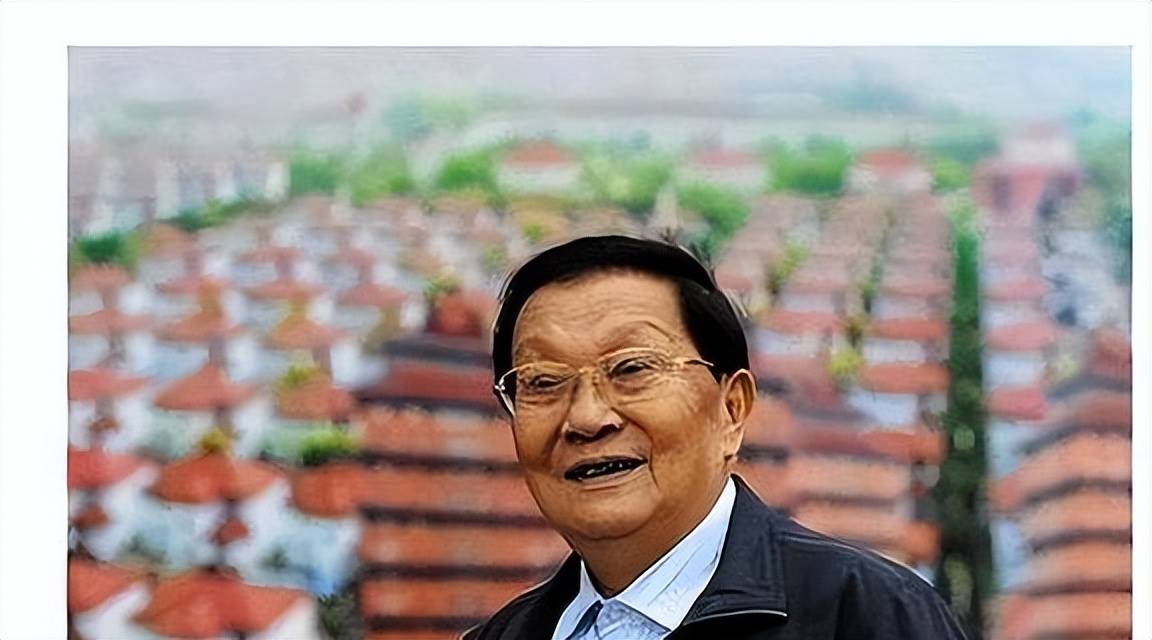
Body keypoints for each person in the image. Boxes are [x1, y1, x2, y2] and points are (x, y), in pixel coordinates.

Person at [465, 235, 967, 640]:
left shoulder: (867, 615)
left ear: (732, 409)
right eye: (543, 382)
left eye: (632, 368)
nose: (587, 417)